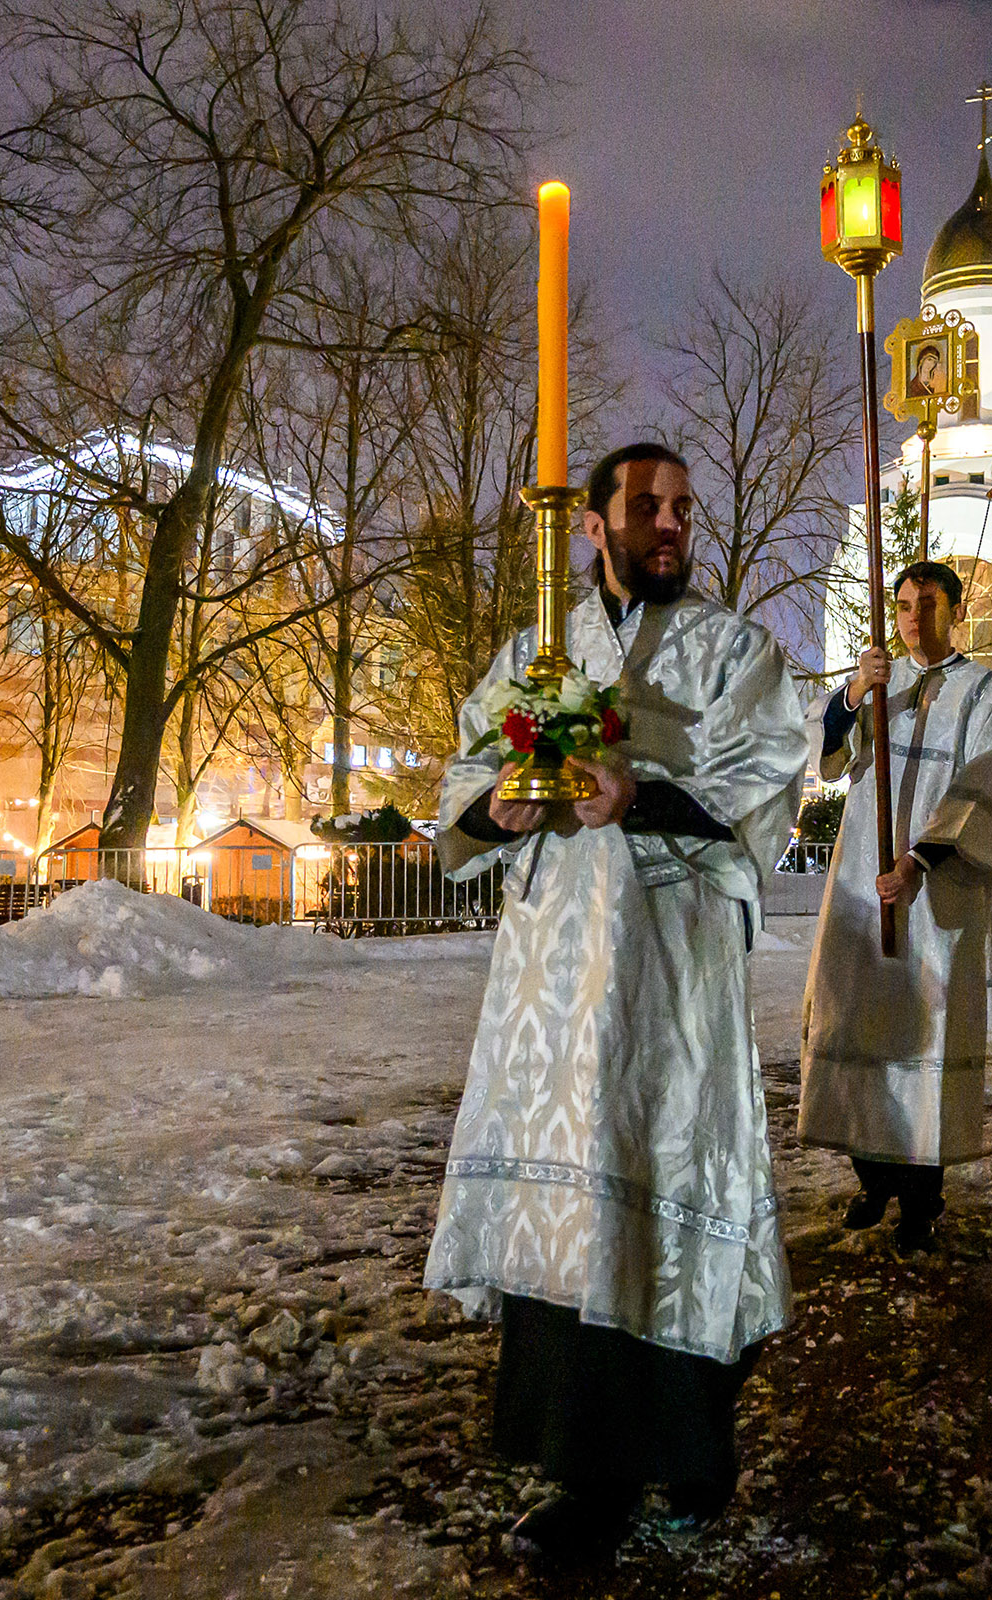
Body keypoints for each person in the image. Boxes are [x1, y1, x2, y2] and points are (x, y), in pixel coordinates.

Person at [424, 442, 808, 1564]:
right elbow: (459, 782)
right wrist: (502, 804)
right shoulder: (540, 653)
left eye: (683, 507)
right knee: (573, 1218)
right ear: (590, 524)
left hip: (672, 973)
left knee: (673, 1187)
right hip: (555, 977)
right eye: (645, 506)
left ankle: (691, 1452)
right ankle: (587, 1479)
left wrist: (643, 794)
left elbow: (774, 773)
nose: (670, 523)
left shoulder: (735, 652)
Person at [800, 561, 992, 1254]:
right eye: (902, 606)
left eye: (928, 605)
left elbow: (988, 786)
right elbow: (825, 758)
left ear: (955, 613)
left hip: (934, 891)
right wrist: (848, 698)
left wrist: (921, 860)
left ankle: (922, 1198)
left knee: (924, 1032)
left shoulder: (987, 694)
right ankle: (872, 1177)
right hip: (865, 878)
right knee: (864, 1019)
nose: (912, 618)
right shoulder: (880, 680)